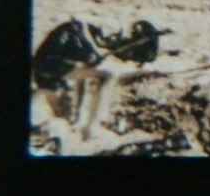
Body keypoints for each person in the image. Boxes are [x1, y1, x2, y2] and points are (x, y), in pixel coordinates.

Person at [32, 19, 164, 141]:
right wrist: (90, 56)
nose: (126, 58)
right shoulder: (96, 34)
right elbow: (84, 46)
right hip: (53, 70)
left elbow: (82, 73)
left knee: (65, 121)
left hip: (50, 69)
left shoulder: (87, 35)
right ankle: (90, 128)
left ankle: (82, 128)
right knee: (107, 75)